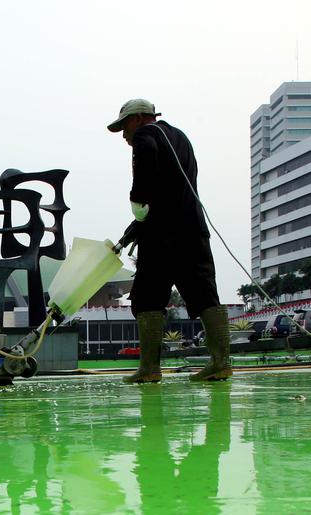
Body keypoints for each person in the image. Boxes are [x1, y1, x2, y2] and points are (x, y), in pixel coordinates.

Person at [108, 98, 232, 383]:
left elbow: (147, 168)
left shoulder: (146, 134)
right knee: (204, 294)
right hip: (194, 230)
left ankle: (150, 369)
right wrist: (134, 228)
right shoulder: (180, 138)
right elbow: (171, 190)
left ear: (139, 118)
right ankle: (221, 363)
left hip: (163, 236)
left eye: (124, 127)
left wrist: (137, 199)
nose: (125, 136)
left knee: (147, 298)